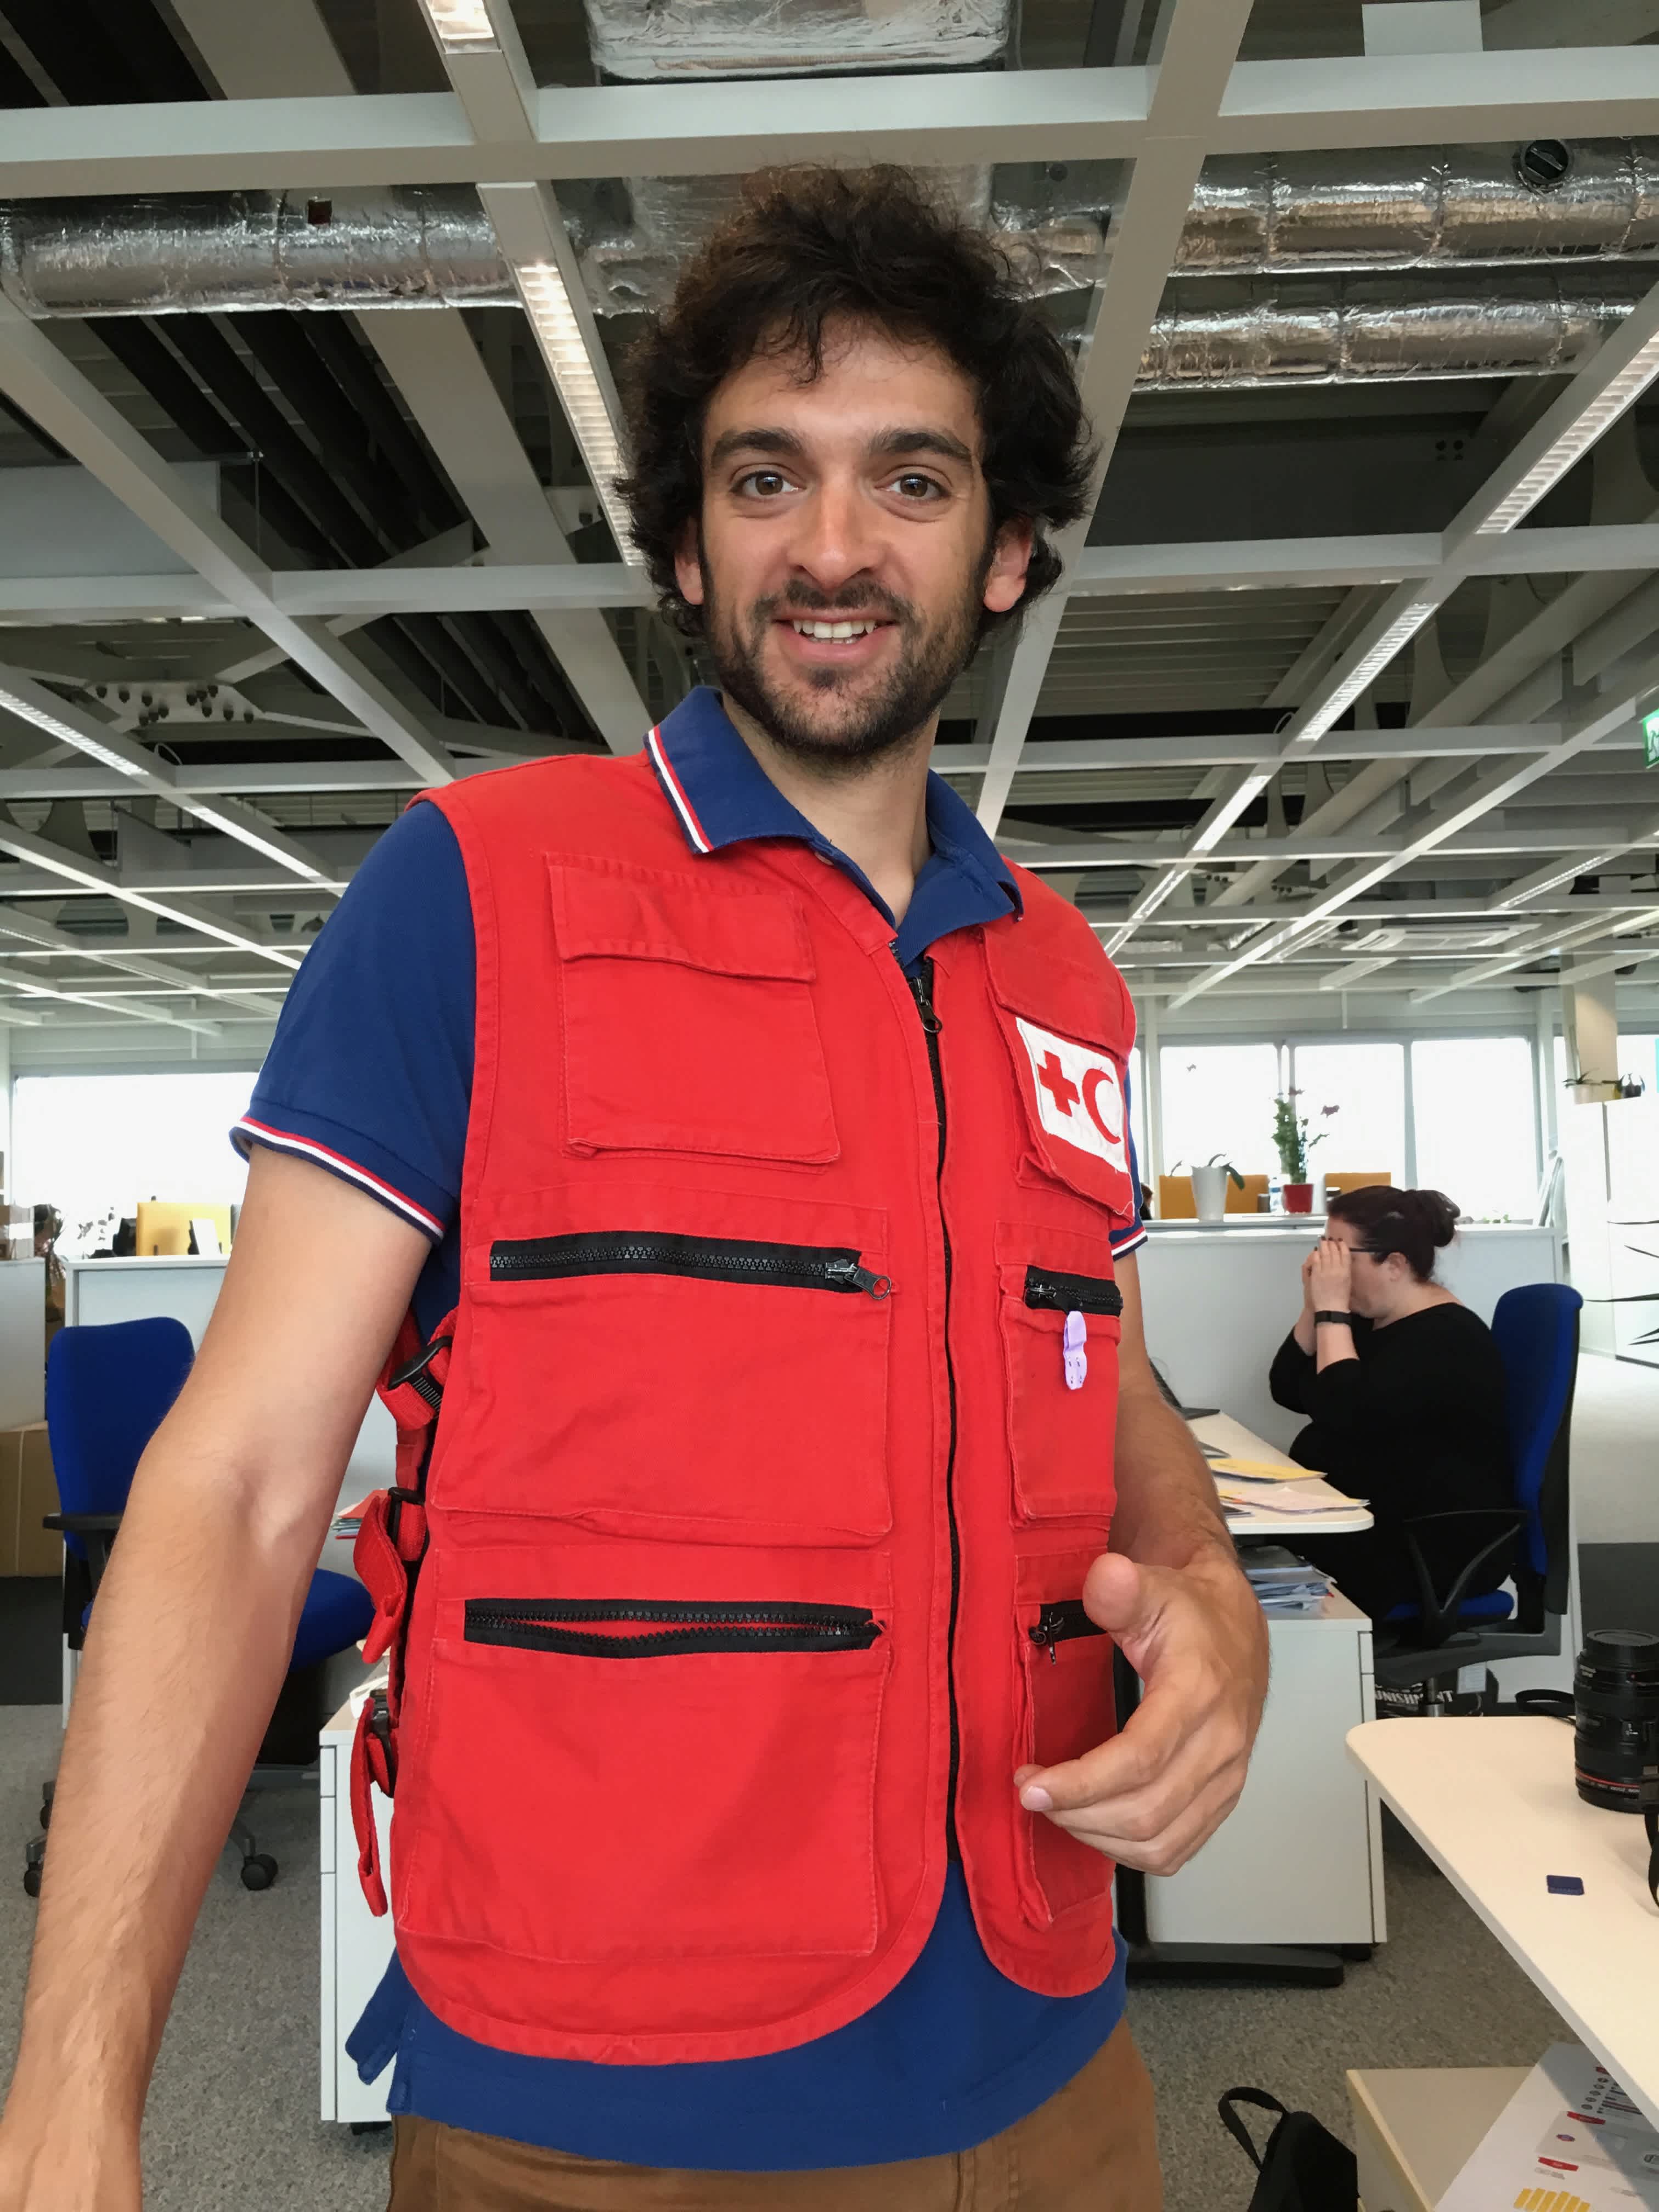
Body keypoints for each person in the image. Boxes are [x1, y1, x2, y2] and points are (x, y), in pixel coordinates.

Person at [0, 167, 1268, 2212]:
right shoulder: (476, 895)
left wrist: (1208, 1595)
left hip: (1050, 2065)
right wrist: (70, 2101)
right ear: (684, 543)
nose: (831, 545)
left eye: (909, 480)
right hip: (603, 2110)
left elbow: (1075, 1352)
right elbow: (235, 1490)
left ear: (1008, 545)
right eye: (763, 478)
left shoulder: (1065, 981)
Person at [1268, 1185, 1513, 1622]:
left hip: (1425, 1547)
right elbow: (1287, 1388)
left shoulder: (1448, 1339)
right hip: (1366, 1525)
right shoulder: (1374, 1324)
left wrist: (1332, 1312)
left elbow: (1347, 1414)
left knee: (1241, 1571)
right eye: (1325, 1251)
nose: (1331, 1269)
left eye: (1341, 1256)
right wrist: (1315, 1306)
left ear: (1395, 1264)